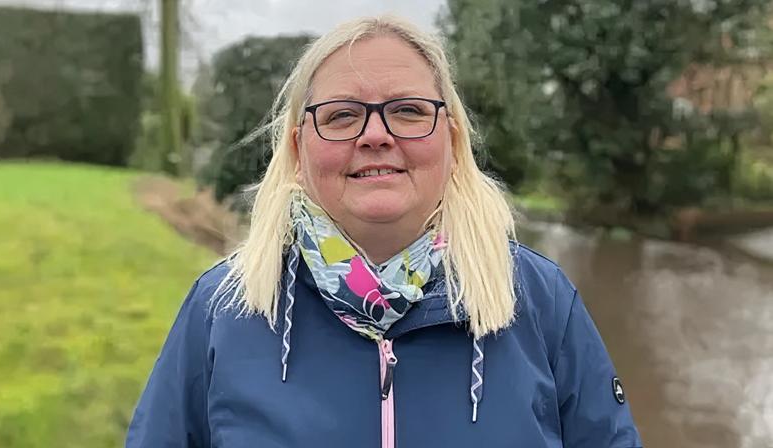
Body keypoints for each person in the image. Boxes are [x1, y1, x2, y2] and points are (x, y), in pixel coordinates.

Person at [125, 15, 643, 448]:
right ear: (299, 148)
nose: (375, 135)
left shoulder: (539, 301)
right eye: (342, 115)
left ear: (451, 140)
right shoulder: (221, 311)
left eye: (408, 111)